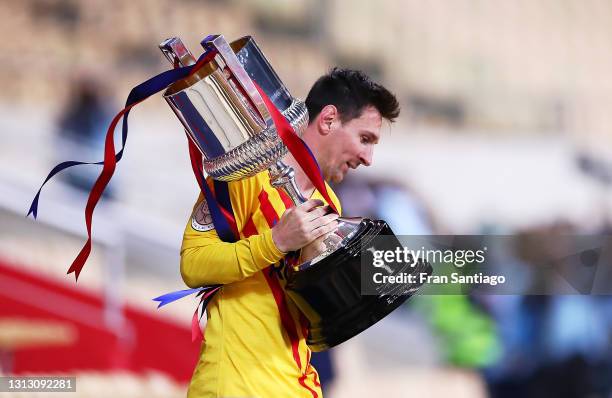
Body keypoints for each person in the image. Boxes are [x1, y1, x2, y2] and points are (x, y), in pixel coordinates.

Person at [180, 68, 400, 397]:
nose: (368, 158)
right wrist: (276, 242)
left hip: (298, 384)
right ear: (328, 120)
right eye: (365, 139)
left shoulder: (329, 204)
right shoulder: (246, 172)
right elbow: (192, 264)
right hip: (236, 385)